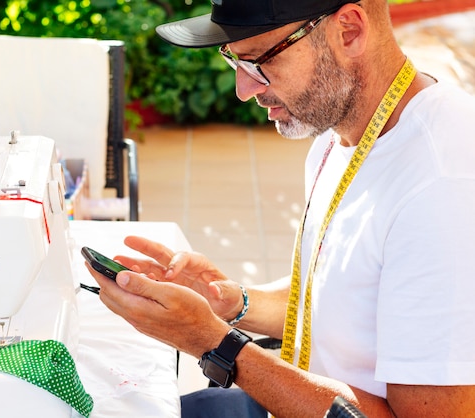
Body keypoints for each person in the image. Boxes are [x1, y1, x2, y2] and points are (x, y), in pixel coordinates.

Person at [84, 0, 475, 416]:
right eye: (234, 60)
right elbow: (351, 294)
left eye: (258, 62)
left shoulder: (443, 186)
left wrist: (212, 341)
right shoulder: (337, 133)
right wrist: (230, 302)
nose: (243, 88)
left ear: (348, 30)